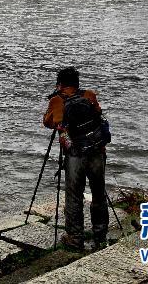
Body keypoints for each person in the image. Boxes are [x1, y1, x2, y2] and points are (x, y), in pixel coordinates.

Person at [43, 67, 109, 250]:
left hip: (75, 155)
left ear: (60, 84)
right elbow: (99, 114)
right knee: (99, 193)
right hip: (97, 151)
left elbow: (47, 122)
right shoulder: (89, 95)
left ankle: (75, 237)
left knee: (73, 195)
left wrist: (55, 103)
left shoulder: (57, 100)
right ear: (77, 82)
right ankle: (100, 235)